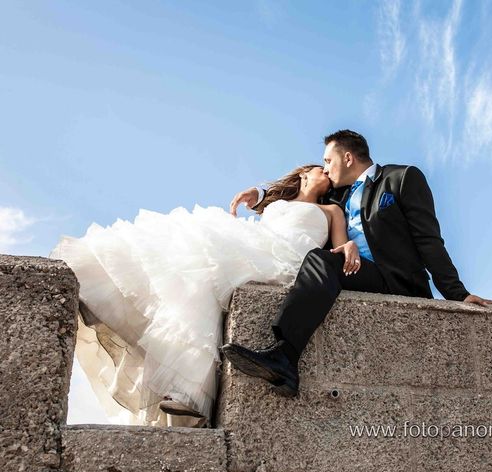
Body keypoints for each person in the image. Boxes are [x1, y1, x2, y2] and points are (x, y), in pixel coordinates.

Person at [50, 164, 354, 427]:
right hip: (260, 243)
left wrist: (349, 247)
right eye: (320, 168)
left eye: (329, 169)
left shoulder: (332, 210)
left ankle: (187, 390)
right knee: (194, 269)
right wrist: (259, 194)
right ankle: (185, 390)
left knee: (203, 261)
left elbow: (339, 250)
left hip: (286, 257)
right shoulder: (276, 202)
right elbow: (266, 202)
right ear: (303, 174)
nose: (327, 171)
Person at [222, 129, 492, 397]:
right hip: (352, 273)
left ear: (348, 158)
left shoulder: (401, 178)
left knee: (321, 259)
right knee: (322, 259)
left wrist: (458, 294)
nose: (326, 169)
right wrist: (259, 193)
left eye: (328, 161)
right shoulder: (336, 197)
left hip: (394, 280)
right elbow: (298, 201)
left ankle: (284, 356)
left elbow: (428, 240)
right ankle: (284, 356)